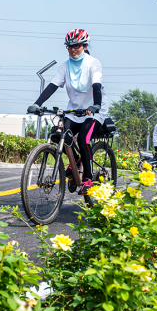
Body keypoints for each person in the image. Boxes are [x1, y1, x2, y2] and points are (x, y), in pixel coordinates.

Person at [27, 29, 107, 194]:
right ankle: (76, 162)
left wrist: (96, 105)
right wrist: (37, 103)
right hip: (75, 110)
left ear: (84, 46)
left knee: (84, 138)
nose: (73, 49)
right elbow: (53, 86)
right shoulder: (65, 67)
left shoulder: (93, 63)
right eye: (70, 46)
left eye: (77, 45)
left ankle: (88, 178)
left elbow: (97, 86)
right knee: (58, 134)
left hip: (94, 110)